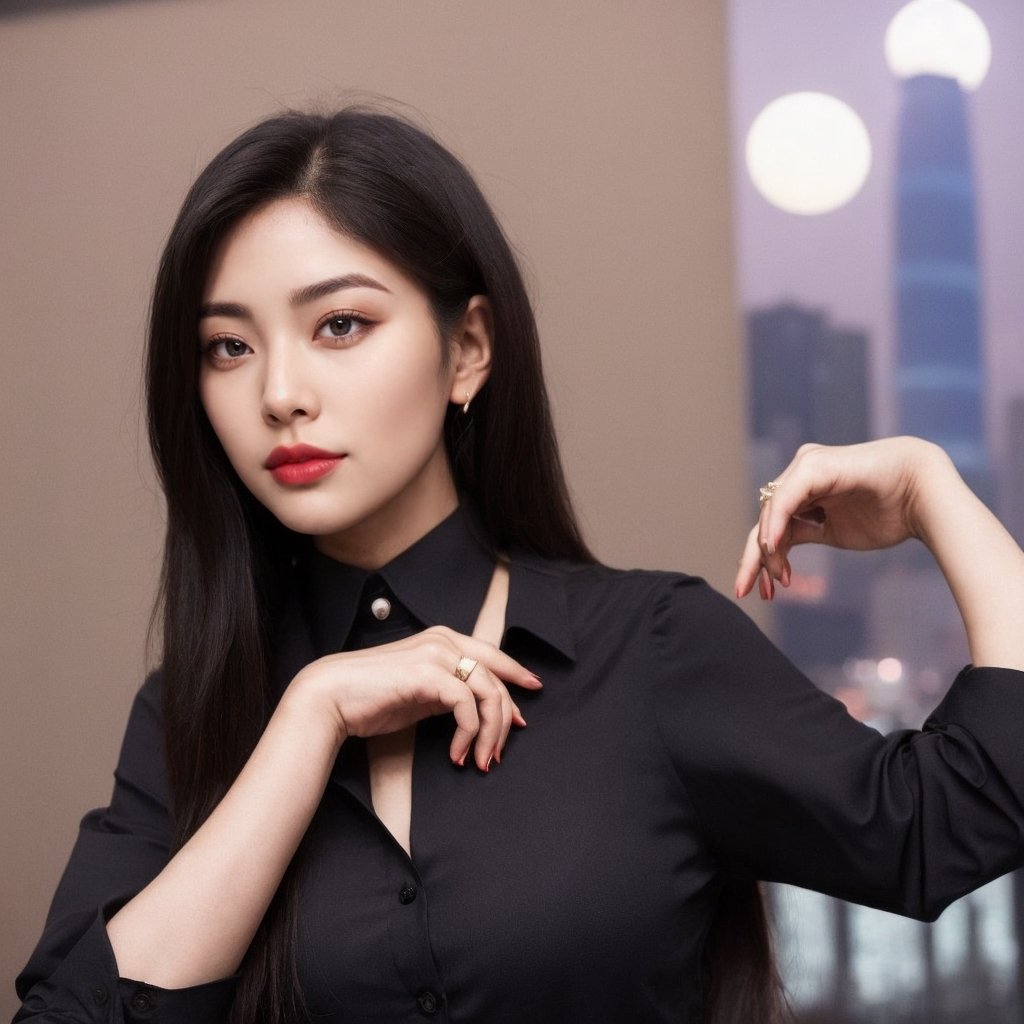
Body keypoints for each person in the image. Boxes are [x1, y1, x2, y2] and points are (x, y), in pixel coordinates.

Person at [13, 108, 1024, 1024]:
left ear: (468, 350)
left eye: (339, 325)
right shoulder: (194, 715)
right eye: (228, 348)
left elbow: (954, 818)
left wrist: (937, 492)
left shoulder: (648, 651)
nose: (280, 392)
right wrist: (308, 716)